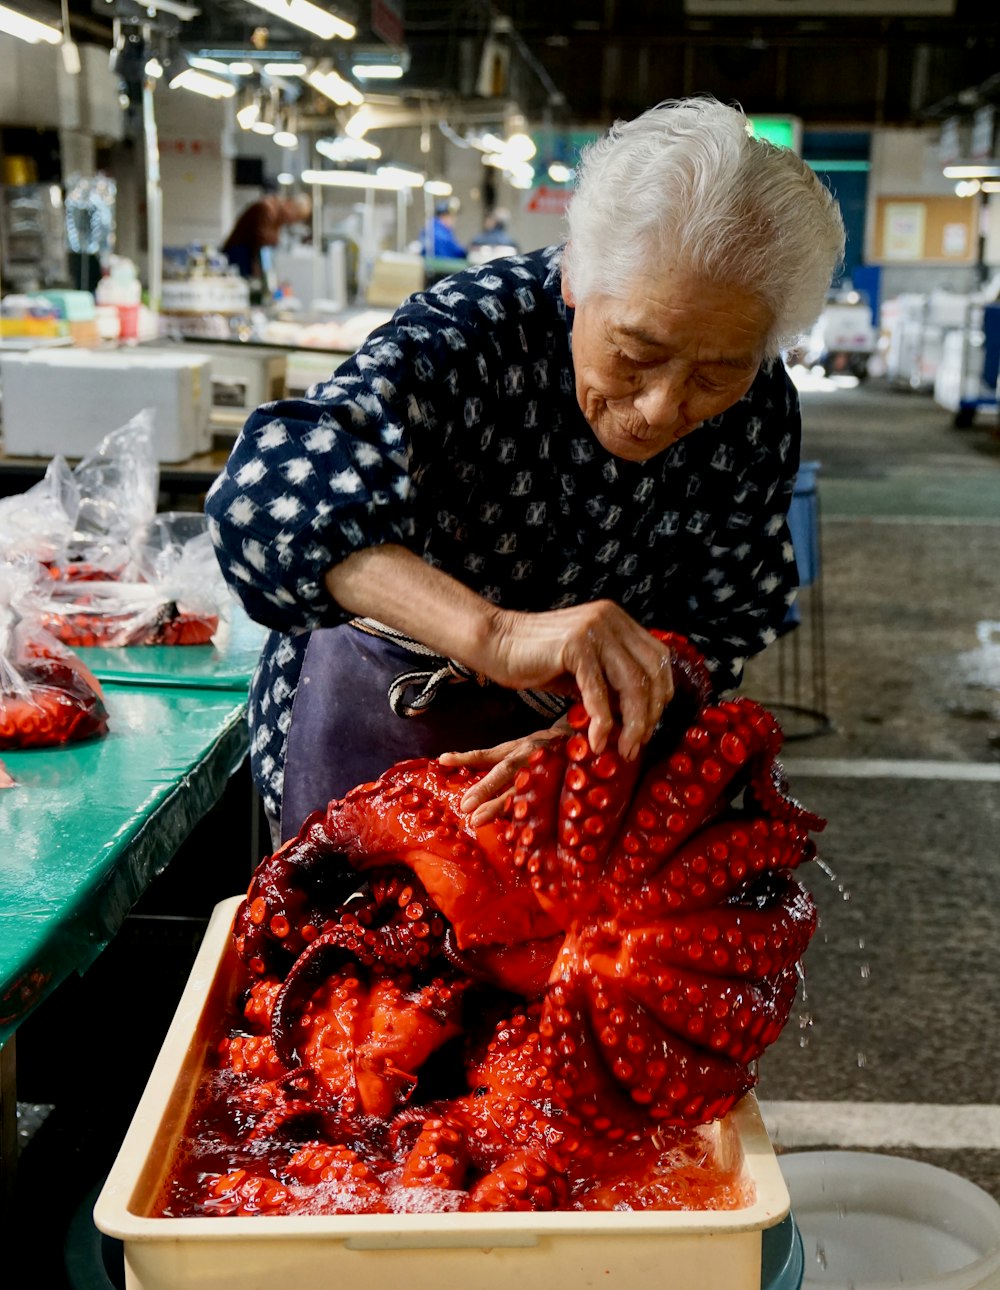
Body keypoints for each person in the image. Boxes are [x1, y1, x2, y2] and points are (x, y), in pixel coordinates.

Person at [205, 95, 845, 849]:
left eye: (715, 375)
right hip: (370, 733)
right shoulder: (475, 333)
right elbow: (267, 497)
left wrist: (592, 726)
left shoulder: (761, 405)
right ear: (576, 276)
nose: (662, 407)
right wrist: (495, 636)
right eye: (636, 355)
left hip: (583, 774)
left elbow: (732, 614)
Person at [221, 191, 312, 282]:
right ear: (290, 205)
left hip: (248, 254)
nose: (292, 221)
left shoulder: (277, 215)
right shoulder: (267, 209)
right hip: (240, 254)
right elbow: (263, 240)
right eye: (296, 217)